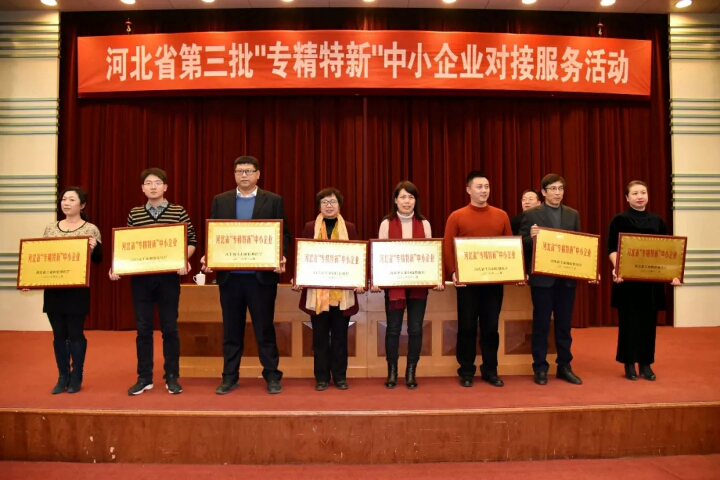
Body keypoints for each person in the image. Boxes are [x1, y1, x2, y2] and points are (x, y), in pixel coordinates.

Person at [201, 156, 291, 395]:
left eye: (249, 171)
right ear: (234, 174)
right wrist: (209, 255)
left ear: (258, 174)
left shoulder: (273, 200)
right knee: (231, 331)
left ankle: (272, 376)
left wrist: (280, 256)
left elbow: (284, 235)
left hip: (261, 279)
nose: (244, 175)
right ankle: (229, 377)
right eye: (240, 171)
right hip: (230, 278)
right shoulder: (221, 201)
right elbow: (214, 234)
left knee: (264, 330)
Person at [109, 168, 197, 396]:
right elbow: (128, 245)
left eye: (157, 182)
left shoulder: (178, 211)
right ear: (142, 188)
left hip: (168, 279)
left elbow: (192, 241)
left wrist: (183, 259)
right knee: (143, 330)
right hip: (141, 280)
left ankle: (172, 376)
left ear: (165, 187)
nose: (153, 186)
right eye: (148, 183)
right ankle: (144, 378)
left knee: (170, 329)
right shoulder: (135, 213)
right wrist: (117, 266)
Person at [520, 173, 598, 386]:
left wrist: (588, 269)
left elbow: (579, 244)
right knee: (542, 324)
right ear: (543, 192)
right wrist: (532, 238)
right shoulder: (531, 214)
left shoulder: (573, 214)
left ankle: (564, 366)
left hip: (566, 279)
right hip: (542, 280)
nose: (557, 193)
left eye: (560, 189)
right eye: (553, 189)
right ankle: (540, 367)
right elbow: (521, 243)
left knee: (564, 326)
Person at [371, 181, 443, 390]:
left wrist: (436, 277)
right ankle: (392, 372)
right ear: (395, 200)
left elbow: (430, 255)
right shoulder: (386, 224)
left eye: (411, 197)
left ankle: (411, 372)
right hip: (394, 286)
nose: (407, 201)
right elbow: (380, 255)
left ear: (415, 201)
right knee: (393, 329)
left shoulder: (424, 224)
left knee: (415, 328)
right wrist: (376, 279)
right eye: (402, 197)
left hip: (418, 285)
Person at [443, 171, 512, 388]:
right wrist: (453, 273)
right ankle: (466, 371)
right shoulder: (456, 216)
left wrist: (514, 271)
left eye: (487, 187)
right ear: (468, 190)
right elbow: (447, 247)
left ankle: (490, 370)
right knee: (467, 327)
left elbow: (510, 247)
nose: (484, 191)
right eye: (479, 187)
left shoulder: (501, 215)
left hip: (494, 283)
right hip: (467, 284)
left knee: (491, 328)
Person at [608, 181, 681, 381]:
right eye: (634, 193)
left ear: (648, 196)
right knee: (629, 323)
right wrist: (618, 268)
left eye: (643, 192)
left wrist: (673, 273)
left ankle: (646, 363)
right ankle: (629, 363)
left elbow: (668, 251)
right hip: (627, 281)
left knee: (648, 325)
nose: (639, 196)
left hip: (651, 283)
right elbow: (612, 248)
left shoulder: (657, 221)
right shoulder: (619, 220)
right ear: (627, 198)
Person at [293, 188, 364, 391]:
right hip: (317, 294)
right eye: (324, 202)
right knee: (320, 338)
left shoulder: (349, 228)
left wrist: (359, 279)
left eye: (333, 202)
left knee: (340, 338)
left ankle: (340, 377)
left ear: (339, 205)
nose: (329, 205)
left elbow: (356, 257)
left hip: (342, 294)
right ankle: (321, 378)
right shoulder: (310, 228)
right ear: (319, 206)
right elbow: (302, 256)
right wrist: (299, 276)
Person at [39, 187, 102, 394]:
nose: (66, 203)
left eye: (71, 200)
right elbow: (42, 257)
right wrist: (32, 278)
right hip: (54, 289)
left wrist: (94, 247)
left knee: (75, 333)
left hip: (77, 290)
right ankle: (62, 375)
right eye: (64, 199)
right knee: (59, 334)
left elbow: (98, 259)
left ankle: (76, 375)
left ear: (82, 205)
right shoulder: (51, 228)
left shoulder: (91, 229)